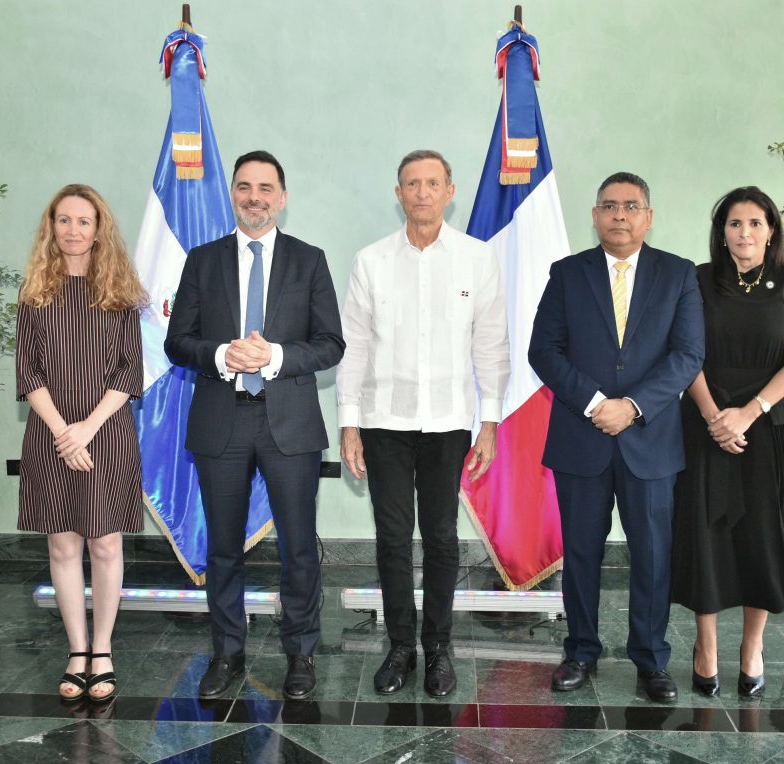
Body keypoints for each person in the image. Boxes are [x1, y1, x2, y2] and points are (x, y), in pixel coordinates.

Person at [164, 150, 345, 701]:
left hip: (289, 424)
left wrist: (272, 358)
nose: (254, 197)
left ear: (282, 198)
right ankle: (227, 653)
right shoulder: (203, 260)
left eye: (266, 188)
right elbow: (178, 342)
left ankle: (301, 654)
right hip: (222, 420)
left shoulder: (309, 260)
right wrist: (222, 353)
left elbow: (330, 343)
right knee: (223, 547)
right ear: (233, 195)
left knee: (299, 549)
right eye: (244, 187)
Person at [338, 150, 510, 698]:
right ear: (398, 193)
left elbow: (491, 346)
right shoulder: (371, 261)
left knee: (440, 538)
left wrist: (489, 423)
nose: (422, 193)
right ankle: (399, 647)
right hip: (384, 421)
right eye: (412, 183)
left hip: (449, 424)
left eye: (432, 183)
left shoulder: (476, 259)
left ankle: (438, 648)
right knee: (392, 537)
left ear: (449, 191)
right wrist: (348, 424)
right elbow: (354, 348)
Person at [528, 172, 704, 703]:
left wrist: (631, 406)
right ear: (595, 215)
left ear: (648, 216)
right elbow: (545, 351)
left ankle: (650, 659)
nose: (619, 216)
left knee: (652, 553)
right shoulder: (567, 274)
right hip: (582, 438)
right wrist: (593, 403)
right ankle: (580, 650)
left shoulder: (678, 275)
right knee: (581, 551)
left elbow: (687, 356)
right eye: (609, 206)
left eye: (631, 206)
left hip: (650, 441)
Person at [671, 186, 784, 698]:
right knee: (706, 536)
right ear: (722, 231)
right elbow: (685, 353)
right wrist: (716, 417)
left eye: (755, 223)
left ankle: (752, 646)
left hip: (770, 424)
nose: (745, 233)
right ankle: (705, 645)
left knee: (763, 536)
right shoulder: (697, 279)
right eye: (735, 223)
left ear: (771, 229)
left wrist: (749, 413)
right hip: (705, 421)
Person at [16, 184, 146, 703]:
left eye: (83, 221)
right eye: (63, 220)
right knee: (63, 544)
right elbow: (28, 374)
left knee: (106, 543)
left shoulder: (119, 292)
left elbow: (129, 371)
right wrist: (62, 432)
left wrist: (85, 429)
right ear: (52, 227)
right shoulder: (34, 294)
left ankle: (104, 649)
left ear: (99, 228)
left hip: (106, 433)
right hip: (50, 435)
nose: (73, 230)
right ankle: (76, 651)